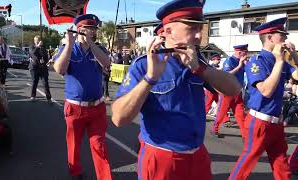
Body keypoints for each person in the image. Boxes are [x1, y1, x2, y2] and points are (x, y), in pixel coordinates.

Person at [111, 1, 241, 179]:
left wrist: (200, 69)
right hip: (162, 159)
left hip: (198, 156)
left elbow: (233, 89)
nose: (198, 36)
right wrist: (150, 78)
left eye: (200, 29)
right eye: (191, 28)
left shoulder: (197, 59)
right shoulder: (144, 64)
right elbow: (118, 118)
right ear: (168, 31)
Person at [229, 17, 298, 180]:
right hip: (260, 121)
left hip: (276, 122)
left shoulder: (282, 60)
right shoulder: (256, 61)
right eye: (282, 35)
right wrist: (280, 62)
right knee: (248, 160)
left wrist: (294, 55)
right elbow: (265, 90)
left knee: (281, 162)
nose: (286, 38)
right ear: (269, 37)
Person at [53, 14, 112, 180]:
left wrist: (91, 43)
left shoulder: (98, 48)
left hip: (97, 108)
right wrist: (70, 44)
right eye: (89, 29)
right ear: (80, 30)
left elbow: (106, 63)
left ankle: (105, 177)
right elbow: (59, 69)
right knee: (74, 144)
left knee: (99, 145)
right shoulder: (68, 48)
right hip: (75, 107)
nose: (92, 32)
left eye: (94, 29)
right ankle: (75, 172)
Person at [211, 44, 248, 138]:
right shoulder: (230, 60)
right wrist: (239, 66)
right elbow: (227, 74)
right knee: (221, 112)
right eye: (245, 52)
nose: (246, 54)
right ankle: (214, 129)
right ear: (240, 52)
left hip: (237, 91)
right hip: (227, 90)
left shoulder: (242, 61)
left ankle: (245, 135)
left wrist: (246, 65)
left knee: (240, 115)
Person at [29, 35, 52, 103]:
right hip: (34, 68)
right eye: (37, 41)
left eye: (39, 40)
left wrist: (44, 61)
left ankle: (49, 98)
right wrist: (37, 46)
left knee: (45, 83)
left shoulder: (43, 49)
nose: (38, 42)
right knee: (35, 82)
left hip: (43, 68)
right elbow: (33, 53)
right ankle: (33, 96)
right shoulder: (32, 47)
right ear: (35, 41)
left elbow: (46, 58)